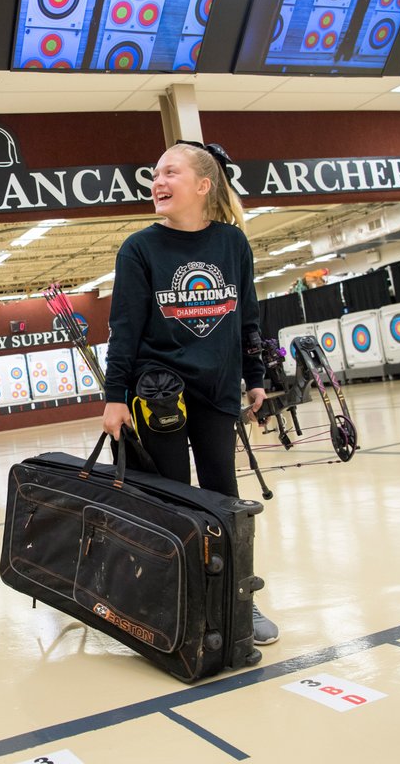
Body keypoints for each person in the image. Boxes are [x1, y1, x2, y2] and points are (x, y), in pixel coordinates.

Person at [101, 140, 277, 644]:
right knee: (171, 502)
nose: (158, 181)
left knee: (225, 499)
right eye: (155, 174)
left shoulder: (232, 243)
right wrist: (116, 397)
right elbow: (125, 327)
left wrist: (256, 376)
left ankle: (236, 600)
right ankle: (173, 604)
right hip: (159, 395)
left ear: (203, 185)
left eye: (170, 172)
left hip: (217, 392)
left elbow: (247, 317)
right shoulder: (139, 248)